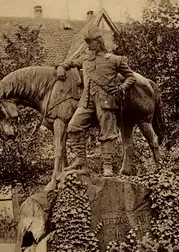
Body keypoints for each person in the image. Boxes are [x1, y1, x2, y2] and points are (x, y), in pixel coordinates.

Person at [56, 27, 136, 176]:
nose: (88, 45)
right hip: (86, 101)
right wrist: (61, 67)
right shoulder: (85, 59)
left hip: (106, 102)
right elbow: (70, 63)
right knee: (73, 127)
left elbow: (131, 77)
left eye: (90, 42)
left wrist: (121, 88)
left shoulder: (114, 60)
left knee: (107, 133)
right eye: (87, 42)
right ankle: (80, 160)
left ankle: (107, 167)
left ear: (99, 43)